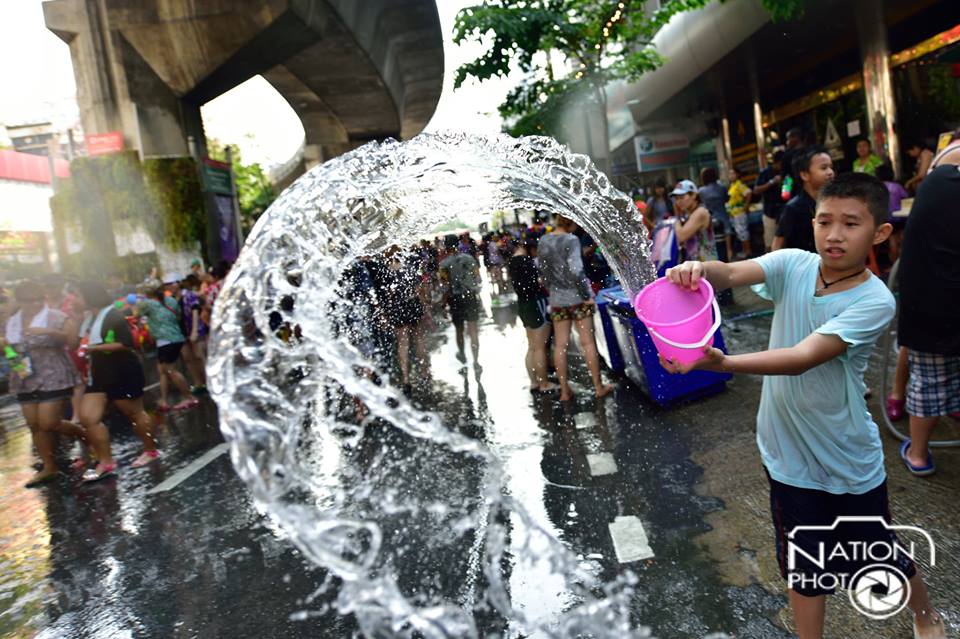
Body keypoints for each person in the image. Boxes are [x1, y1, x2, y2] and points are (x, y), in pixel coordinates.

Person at [661, 173, 946, 639]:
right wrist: (696, 271)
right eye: (825, 221)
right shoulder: (793, 263)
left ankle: (924, 614)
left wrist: (723, 362)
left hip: (846, 455)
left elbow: (803, 358)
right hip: (786, 454)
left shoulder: (874, 300)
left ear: (879, 233)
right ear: (812, 222)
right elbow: (731, 273)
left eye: (851, 224)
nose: (834, 235)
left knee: (877, 554)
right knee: (803, 565)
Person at [896, 132, 960, 477]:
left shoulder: (937, 183)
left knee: (929, 381)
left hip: (929, 302)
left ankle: (918, 455)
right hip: (941, 297)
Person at [3, 281, 90, 487]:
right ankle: (49, 467)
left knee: (49, 423)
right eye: (29, 301)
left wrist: (49, 332)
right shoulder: (12, 321)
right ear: (20, 301)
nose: (34, 304)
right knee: (34, 425)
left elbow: (72, 343)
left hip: (54, 374)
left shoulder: (55, 316)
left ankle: (86, 436)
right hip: (24, 376)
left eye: (38, 300)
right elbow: (8, 346)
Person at [74, 281, 158, 478]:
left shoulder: (113, 315)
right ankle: (106, 461)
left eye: (77, 296)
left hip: (122, 370)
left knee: (134, 413)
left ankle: (150, 450)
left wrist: (93, 349)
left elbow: (125, 343)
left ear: (89, 297)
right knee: (88, 417)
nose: (73, 300)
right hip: (99, 373)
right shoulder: (88, 319)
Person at [537, 215, 613, 401]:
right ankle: (598, 387)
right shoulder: (571, 240)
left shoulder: (544, 241)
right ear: (570, 221)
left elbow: (543, 272)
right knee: (587, 343)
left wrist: (553, 291)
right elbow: (576, 270)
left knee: (560, 346)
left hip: (557, 300)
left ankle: (564, 391)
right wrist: (586, 296)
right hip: (578, 299)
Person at [136, 280, 199, 412]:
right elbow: (178, 315)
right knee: (162, 371)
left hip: (166, 340)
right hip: (175, 337)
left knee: (170, 371)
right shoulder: (171, 300)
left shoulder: (147, 304)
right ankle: (164, 400)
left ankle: (189, 397)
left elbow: (137, 314)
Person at [508, 237, 556, 393]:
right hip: (536, 304)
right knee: (540, 347)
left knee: (532, 347)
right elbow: (536, 284)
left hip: (523, 305)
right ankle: (544, 384)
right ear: (531, 248)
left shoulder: (513, 261)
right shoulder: (526, 261)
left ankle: (534, 382)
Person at [772, 146, 834, 253]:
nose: (831, 172)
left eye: (831, 167)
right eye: (824, 168)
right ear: (805, 175)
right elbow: (777, 243)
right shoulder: (793, 208)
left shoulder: (835, 201)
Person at [438, 234, 482, 370]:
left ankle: (462, 353)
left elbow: (445, 287)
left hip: (455, 299)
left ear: (445, 247)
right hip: (470, 296)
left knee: (459, 330)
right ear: (457, 244)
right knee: (473, 330)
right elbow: (478, 278)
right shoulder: (469, 259)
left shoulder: (443, 265)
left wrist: (443, 304)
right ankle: (476, 361)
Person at [671, 180, 717, 262]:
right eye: (676, 199)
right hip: (696, 264)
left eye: (682, 197)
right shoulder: (688, 214)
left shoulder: (700, 212)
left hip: (706, 265)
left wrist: (676, 219)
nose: (678, 202)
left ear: (694, 195)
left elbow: (681, 236)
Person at [875, 163, 909, 264]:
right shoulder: (897, 186)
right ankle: (904, 260)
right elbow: (905, 198)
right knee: (901, 238)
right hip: (900, 217)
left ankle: (895, 263)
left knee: (892, 240)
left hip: (886, 219)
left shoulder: (877, 188)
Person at [754, 151, 784, 252]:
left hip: (784, 211)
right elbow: (756, 190)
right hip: (769, 212)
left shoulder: (786, 172)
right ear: (777, 162)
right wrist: (771, 182)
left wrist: (787, 184)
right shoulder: (765, 173)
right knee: (769, 242)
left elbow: (786, 194)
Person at [698, 167, 731, 259]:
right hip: (722, 214)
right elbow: (727, 199)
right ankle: (729, 252)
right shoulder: (722, 187)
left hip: (709, 217)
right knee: (726, 235)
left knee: (711, 239)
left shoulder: (701, 191)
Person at [726, 166, 753, 258]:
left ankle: (747, 251)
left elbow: (748, 193)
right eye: (729, 174)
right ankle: (745, 251)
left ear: (737, 175)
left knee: (743, 232)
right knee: (740, 233)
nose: (730, 175)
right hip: (734, 213)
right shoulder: (733, 185)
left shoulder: (739, 185)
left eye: (732, 173)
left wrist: (746, 205)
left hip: (739, 212)